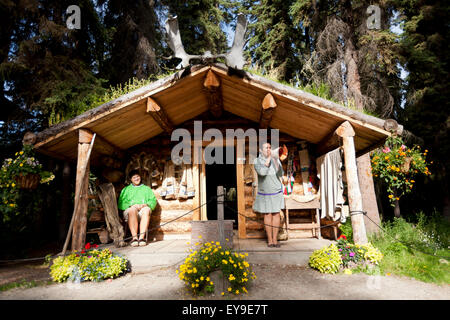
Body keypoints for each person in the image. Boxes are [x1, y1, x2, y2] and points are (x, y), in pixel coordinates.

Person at [253, 142, 286, 248]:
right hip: (265, 192)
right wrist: (269, 159)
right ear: (260, 151)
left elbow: (280, 173)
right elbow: (262, 172)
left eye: (270, 147)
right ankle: (270, 240)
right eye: (266, 148)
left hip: (276, 190)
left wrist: (276, 161)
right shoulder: (257, 161)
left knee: (276, 214)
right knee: (267, 214)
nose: (268, 149)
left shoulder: (275, 160)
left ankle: (275, 240)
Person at [118, 170, 157, 247]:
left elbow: (153, 200)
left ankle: (141, 238)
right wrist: (131, 205)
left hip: (143, 210)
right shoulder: (126, 189)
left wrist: (146, 204)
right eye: (134, 177)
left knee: (146, 210)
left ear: (140, 177)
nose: (136, 179)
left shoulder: (146, 189)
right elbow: (121, 203)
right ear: (131, 179)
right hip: (130, 211)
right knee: (132, 210)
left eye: (138, 177)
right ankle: (134, 238)